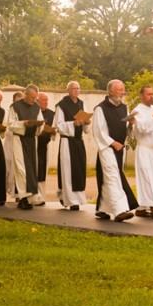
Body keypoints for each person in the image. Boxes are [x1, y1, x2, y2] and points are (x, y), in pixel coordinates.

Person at [91, 79, 137, 222]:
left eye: (123, 89)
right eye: (119, 89)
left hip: (120, 148)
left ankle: (103, 208)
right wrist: (112, 143)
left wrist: (131, 125)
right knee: (112, 177)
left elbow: (128, 130)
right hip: (107, 148)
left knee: (108, 178)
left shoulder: (124, 107)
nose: (122, 92)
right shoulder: (100, 109)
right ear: (110, 91)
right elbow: (98, 131)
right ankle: (119, 211)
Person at [130, 86, 153, 218]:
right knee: (146, 178)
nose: (152, 96)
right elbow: (141, 128)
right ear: (141, 95)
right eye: (148, 94)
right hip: (144, 149)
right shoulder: (137, 111)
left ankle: (141, 208)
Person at [6, 85, 44, 210]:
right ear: (26, 95)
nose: (34, 100)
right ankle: (22, 198)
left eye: (35, 98)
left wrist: (38, 125)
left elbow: (40, 122)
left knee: (31, 169)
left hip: (32, 140)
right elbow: (11, 124)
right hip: (19, 140)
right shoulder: (15, 107)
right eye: (32, 97)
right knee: (21, 169)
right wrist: (24, 123)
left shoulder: (37, 107)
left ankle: (30, 198)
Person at [54, 81, 90, 210]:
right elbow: (58, 125)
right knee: (68, 171)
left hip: (78, 141)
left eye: (78, 88)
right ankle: (69, 199)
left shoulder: (81, 104)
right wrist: (72, 124)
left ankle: (78, 198)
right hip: (67, 141)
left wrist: (87, 122)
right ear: (68, 90)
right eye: (74, 88)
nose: (76, 91)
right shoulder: (62, 106)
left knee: (79, 170)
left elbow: (85, 126)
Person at [35, 91, 56, 206]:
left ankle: (41, 197)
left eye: (47, 100)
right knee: (36, 170)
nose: (46, 102)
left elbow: (54, 130)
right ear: (37, 101)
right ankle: (35, 196)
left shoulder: (51, 114)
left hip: (44, 146)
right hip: (33, 145)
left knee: (42, 171)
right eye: (43, 100)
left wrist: (53, 132)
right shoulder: (33, 111)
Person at [3, 91, 24, 199]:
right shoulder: (9, 111)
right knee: (9, 165)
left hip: (21, 141)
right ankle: (9, 190)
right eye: (17, 101)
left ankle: (18, 194)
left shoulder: (25, 110)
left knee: (19, 167)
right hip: (10, 140)